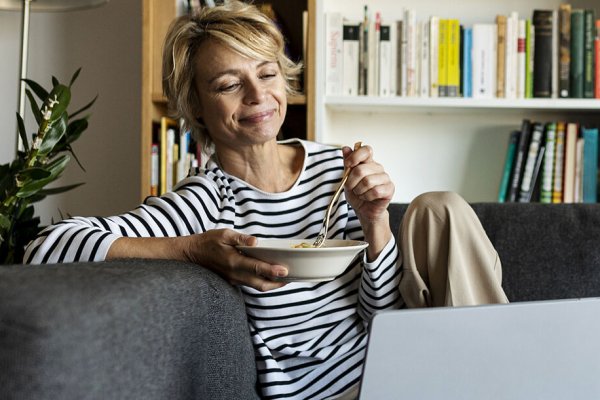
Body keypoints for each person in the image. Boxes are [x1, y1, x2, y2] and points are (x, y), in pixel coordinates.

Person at [24, 2, 508, 399]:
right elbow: (46, 247)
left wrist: (375, 221)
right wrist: (192, 249)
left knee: (438, 206)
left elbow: (378, 315)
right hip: (325, 396)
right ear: (196, 105)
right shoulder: (203, 203)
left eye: (267, 74)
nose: (258, 96)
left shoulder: (333, 168)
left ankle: (506, 376)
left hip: (401, 371)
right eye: (229, 84)